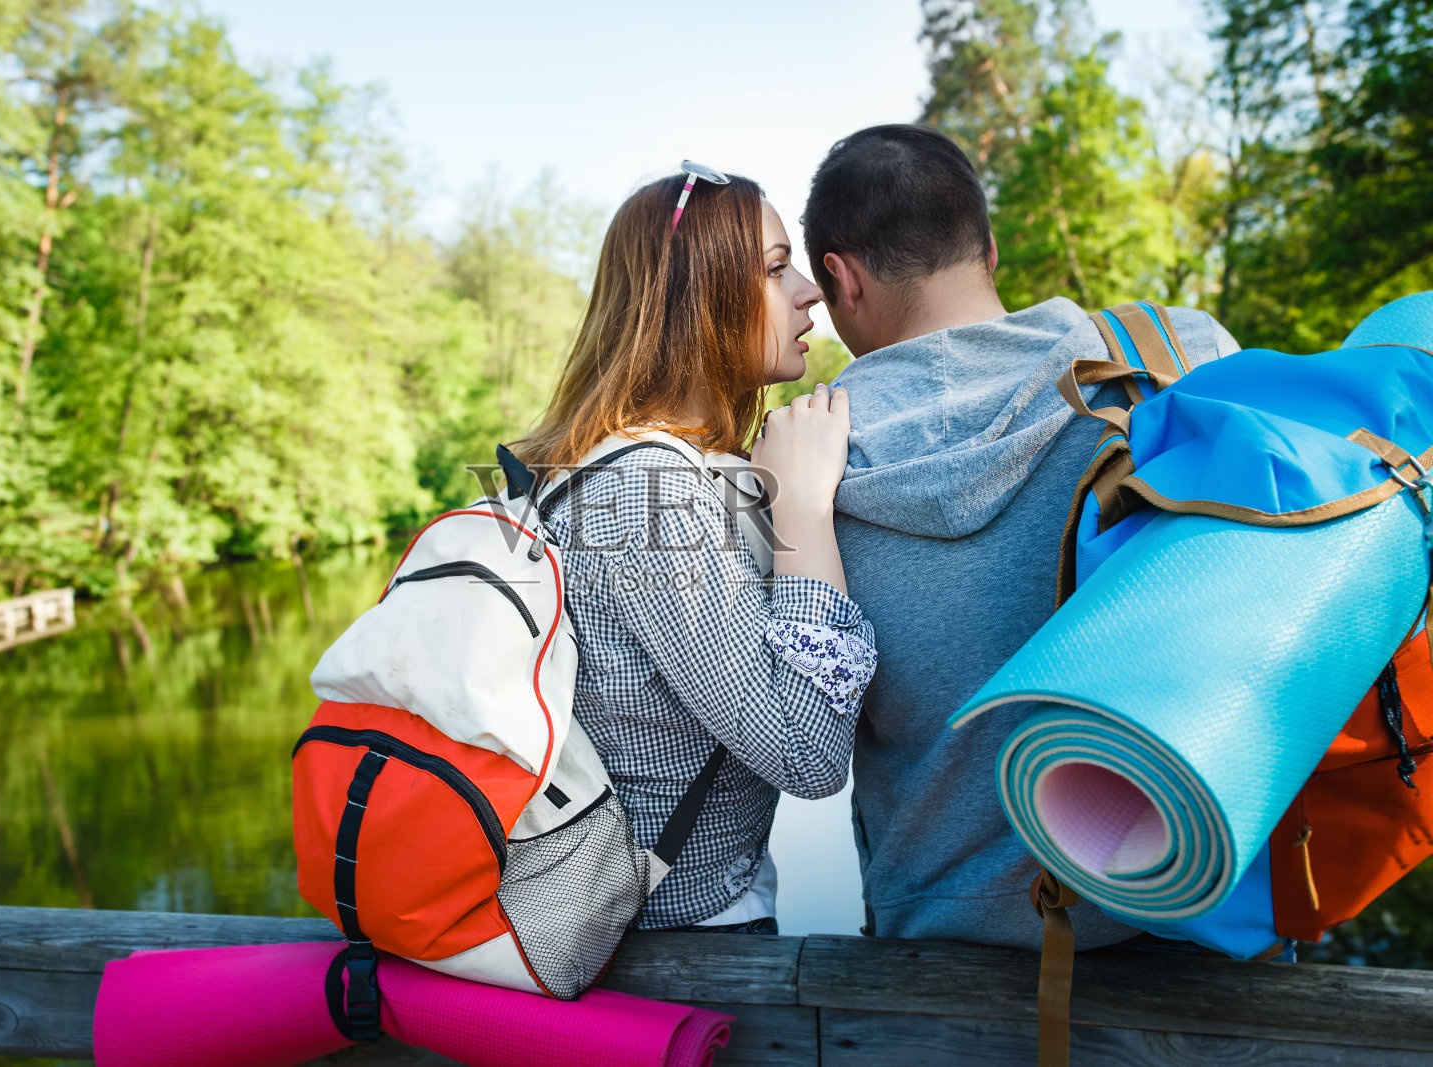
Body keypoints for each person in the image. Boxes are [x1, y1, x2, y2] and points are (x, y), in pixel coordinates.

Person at [801, 124, 1241, 950]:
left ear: (841, 279)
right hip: (1196, 927)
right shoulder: (1177, 358)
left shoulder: (807, 459)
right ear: (989, 250)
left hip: (933, 964)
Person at [511, 164, 877, 932]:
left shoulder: (638, 469)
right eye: (777, 270)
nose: (810, 291)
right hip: (676, 948)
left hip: (657, 928)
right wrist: (803, 511)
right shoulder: (644, 489)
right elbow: (808, 753)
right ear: (699, 297)